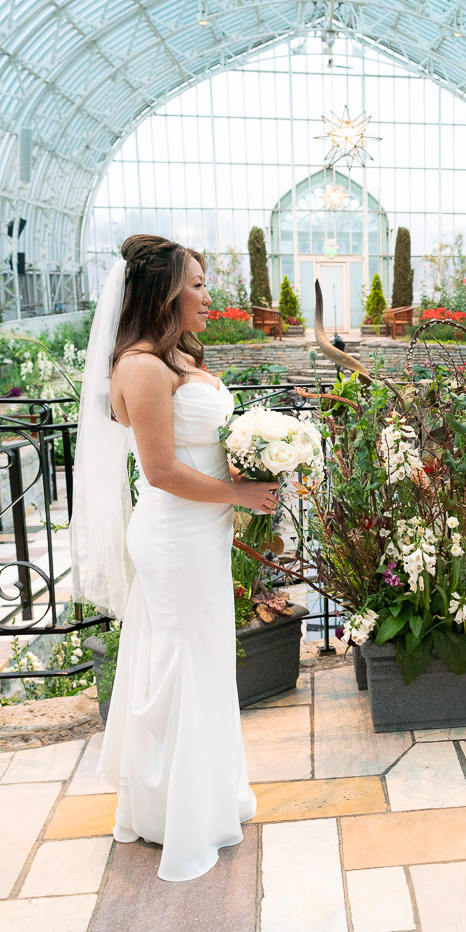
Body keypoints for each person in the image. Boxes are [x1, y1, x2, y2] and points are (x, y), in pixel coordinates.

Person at [71, 234, 280, 880]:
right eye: (196, 283)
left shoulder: (177, 357)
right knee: (182, 667)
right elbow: (161, 471)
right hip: (174, 535)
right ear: (164, 292)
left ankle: (209, 794)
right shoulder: (139, 366)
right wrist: (241, 491)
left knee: (205, 663)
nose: (208, 295)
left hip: (202, 533)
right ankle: (177, 814)